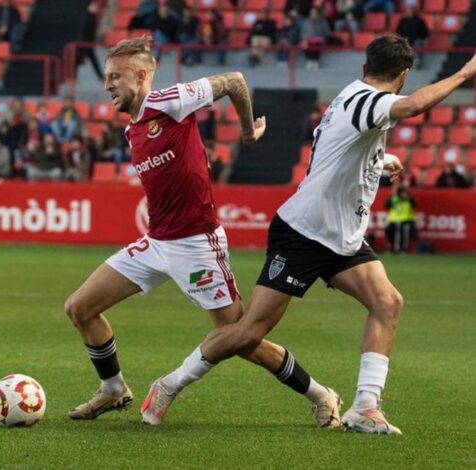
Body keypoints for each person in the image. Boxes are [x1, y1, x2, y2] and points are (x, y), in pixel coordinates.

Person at [140, 35, 476, 434]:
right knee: (249, 333)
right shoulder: (368, 100)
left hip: (341, 236)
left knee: (387, 302)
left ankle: (365, 407)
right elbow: (415, 106)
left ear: (363, 66)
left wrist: (378, 159)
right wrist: (467, 72)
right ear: (404, 75)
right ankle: (167, 386)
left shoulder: (347, 98)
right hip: (304, 233)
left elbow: (330, 149)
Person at [65, 37, 341, 428]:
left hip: (197, 244)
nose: (107, 85)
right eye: (107, 77)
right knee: (79, 307)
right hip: (156, 242)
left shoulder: (169, 101)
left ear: (142, 75)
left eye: (115, 77)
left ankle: (321, 394)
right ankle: (113, 389)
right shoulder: (132, 130)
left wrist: (247, 131)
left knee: (241, 338)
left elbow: (234, 81)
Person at [384, 184, 416, 253]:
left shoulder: (408, 200)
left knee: (404, 232)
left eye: (405, 193)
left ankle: (402, 249)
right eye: (402, 193)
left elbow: (414, 204)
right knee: (389, 231)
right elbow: (386, 205)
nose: (404, 194)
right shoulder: (394, 199)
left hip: (405, 221)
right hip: (393, 221)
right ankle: (391, 248)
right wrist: (393, 195)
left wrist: (409, 197)